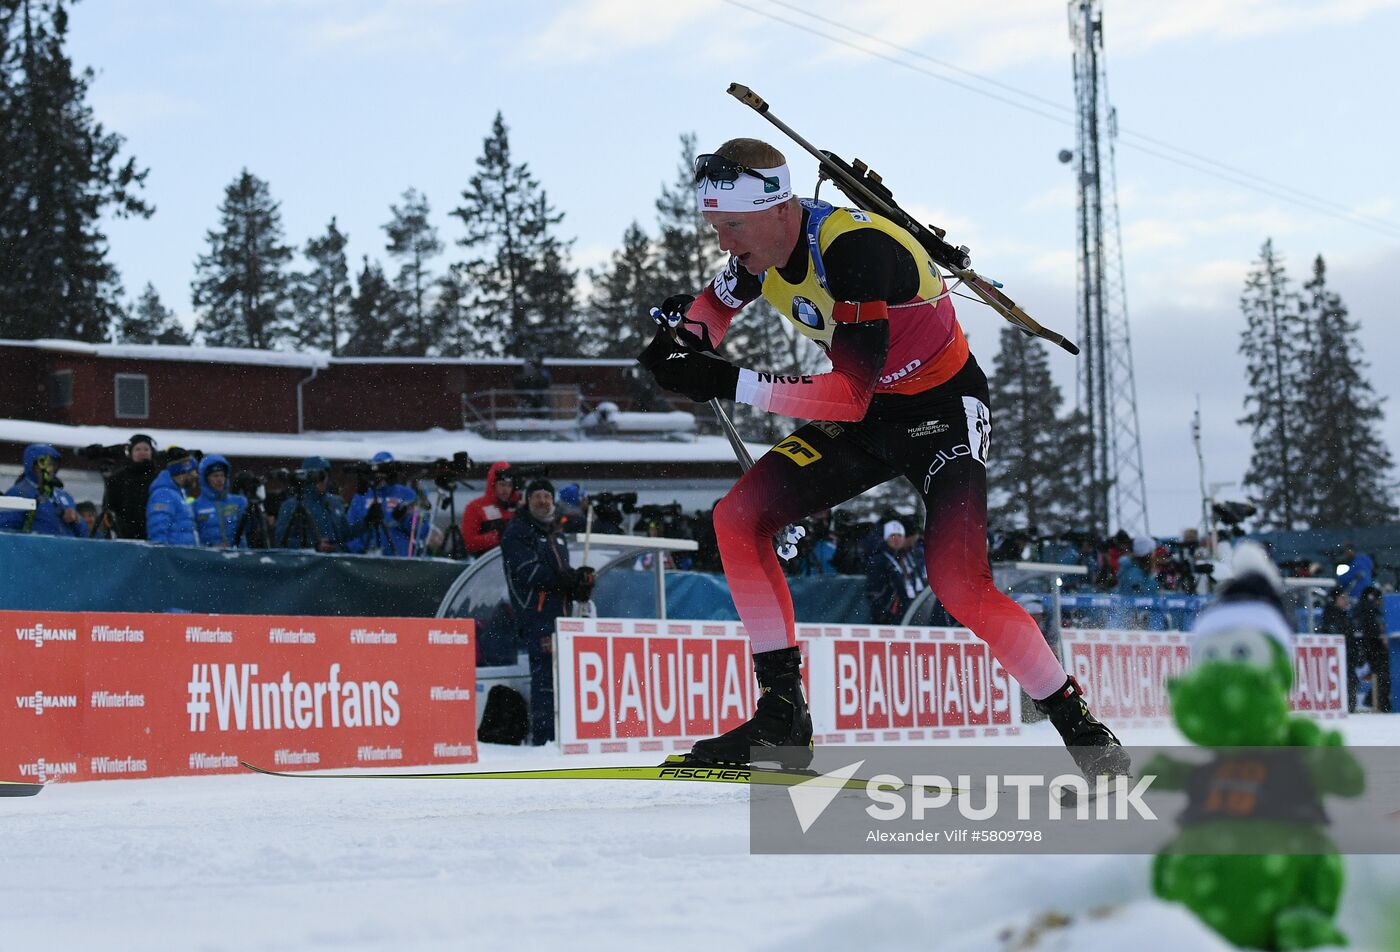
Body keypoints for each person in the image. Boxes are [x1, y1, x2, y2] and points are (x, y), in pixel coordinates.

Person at [636, 138, 1127, 775]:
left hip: (940, 410)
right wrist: (682, 343)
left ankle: (1086, 737)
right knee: (738, 518)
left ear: (779, 207)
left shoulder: (854, 249)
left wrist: (727, 381)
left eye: (732, 226)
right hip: (871, 414)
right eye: (715, 228)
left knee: (958, 583)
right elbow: (713, 308)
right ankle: (782, 716)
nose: (724, 242)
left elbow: (845, 395)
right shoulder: (759, 251)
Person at [500, 479, 595, 745]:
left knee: (563, 677)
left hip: (560, 617)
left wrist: (579, 584)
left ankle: (565, 734)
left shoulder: (556, 532)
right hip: (536, 616)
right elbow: (528, 572)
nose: (543, 501)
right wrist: (565, 579)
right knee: (545, 679)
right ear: (527, 500)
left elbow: (559, 576)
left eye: (547, 496)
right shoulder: (518, 531)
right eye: (537, 496)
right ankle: (545, 739)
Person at [345, 452, 428, 557]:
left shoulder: (407, 494)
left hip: (400, 562)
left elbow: (422, 531)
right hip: (368, 561)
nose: (380, 476)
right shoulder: (361, 496)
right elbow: (348, 530)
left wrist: (405, 518)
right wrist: (359, 552)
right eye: (377, 472)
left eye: (384, 472)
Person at [0, 443, 87, 537]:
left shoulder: (64, 496)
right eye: (43, 464)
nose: (49, 469)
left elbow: (83, 534)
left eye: (53, 464)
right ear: (31, 465)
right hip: (36, 550)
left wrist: (77, 520)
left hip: (66, 550)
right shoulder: (19, 493)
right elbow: (6, 531)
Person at [274, 457, 348, 552]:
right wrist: (314, 545)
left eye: (325, 476)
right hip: (308, 563)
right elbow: (280, 540)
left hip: (337, 562)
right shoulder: (291, 505)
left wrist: (366, 521)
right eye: (319, 476)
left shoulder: (335, 502)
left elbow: (346, 534)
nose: (323, 480)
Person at [101, 433, 160, 539]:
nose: (142, 452)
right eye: (138, 449)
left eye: (146, 449)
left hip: (154, 532)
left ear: (152, 453)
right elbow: (109, 508)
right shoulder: (117, 478)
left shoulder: (159, 479)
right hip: (124, 534)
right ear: (130, 453)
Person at [865, 519, 923, 624]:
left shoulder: (908, 557)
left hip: (907, 611)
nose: (896, 539)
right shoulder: (879, 559)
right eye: (892, 536)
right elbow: (874, 589)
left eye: (899, 535)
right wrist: (882, 612)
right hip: (890, 615)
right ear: (886, 538)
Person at [461, 461, 518, 557]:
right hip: (487, 563)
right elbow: (469, 543)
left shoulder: (518, 507)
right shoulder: (475, 507)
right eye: (502, 484)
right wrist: (497, 537)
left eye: (509, 485)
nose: (506, 490)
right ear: (493, 484)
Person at [193, 454, 249, 548]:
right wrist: (211, 548)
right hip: (209, 559)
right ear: (205, 479)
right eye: (215, 476)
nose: (220, 480)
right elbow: (193, 539)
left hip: (239, 558)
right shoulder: (195, 506)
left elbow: (252, 531)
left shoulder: (240, 502)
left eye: (222, 475)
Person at [146, 452, 200, 545]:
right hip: (174, 556)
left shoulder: (178, 494)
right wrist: (164, 556)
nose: (196, 475)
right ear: (184, 472)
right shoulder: (164, 495)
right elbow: (157, 530)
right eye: (193, 471)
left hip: (182, 555)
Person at [1355, 586, 1391, 713]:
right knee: (1383, 673)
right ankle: (1378, 701)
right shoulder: (1369, 612)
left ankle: (1374, 699)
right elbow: (1372, 633)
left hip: (1368, 650)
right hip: (1370, 651)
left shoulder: (1363, 610)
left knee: (1383, 673)